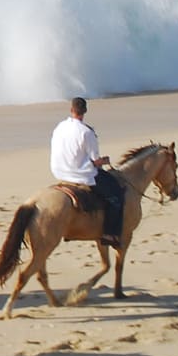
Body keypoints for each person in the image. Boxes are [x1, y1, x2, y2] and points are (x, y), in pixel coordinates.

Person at [51, 97, 124, 247]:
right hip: (80, 174)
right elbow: (96, 160)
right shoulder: (87, 132)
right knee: (116, 196)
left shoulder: (60, 126)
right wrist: (105, 160)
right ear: (85, 111)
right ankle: (109, 234)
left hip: (58, 170)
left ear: (71, 110)